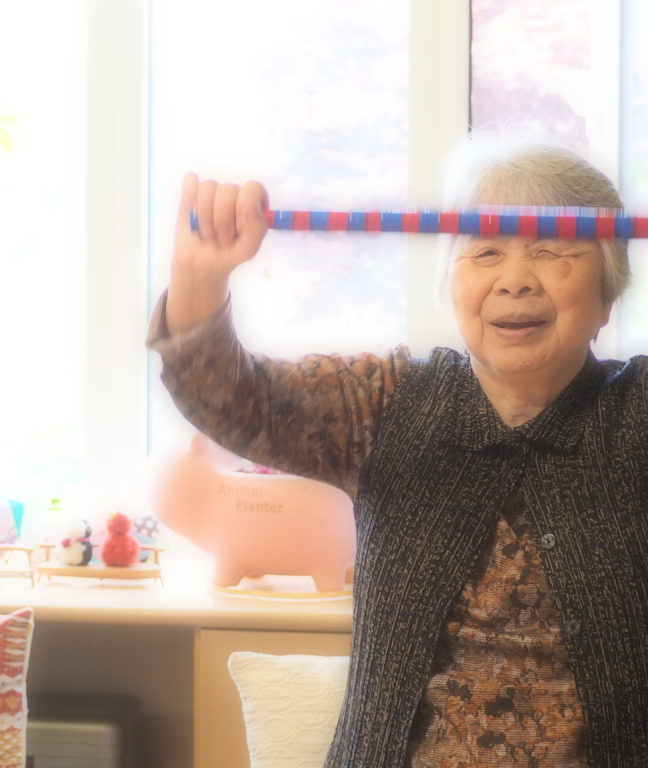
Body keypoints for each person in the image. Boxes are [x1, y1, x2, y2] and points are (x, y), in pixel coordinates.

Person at [148, 138, 648, 766]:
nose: (516, 278)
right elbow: (229, 396)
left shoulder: (637, 413)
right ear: (450, 284)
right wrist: (199, 276)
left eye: (551, 249)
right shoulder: (387, 399)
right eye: (486, 251)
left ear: (608, 294)